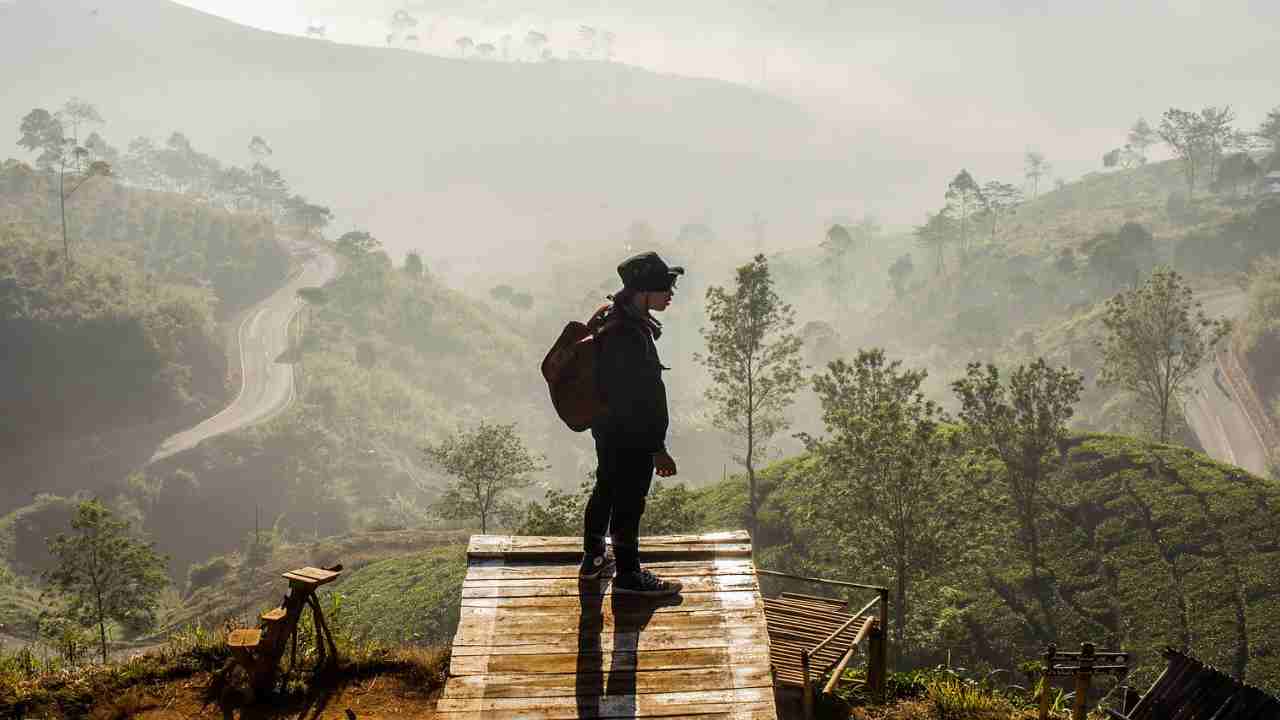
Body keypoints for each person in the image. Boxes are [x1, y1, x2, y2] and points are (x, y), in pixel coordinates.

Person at [579, 251, 684, 596]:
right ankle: (628, 576)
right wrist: (657, 448)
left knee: (606, 490)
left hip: (608, 429)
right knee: (628, 501)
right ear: (643, 291)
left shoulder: (614, 317)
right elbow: (643, 398)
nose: (670, 293)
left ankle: (594, 561)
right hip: (631, 434)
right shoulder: (628, 333)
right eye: (665, 286)